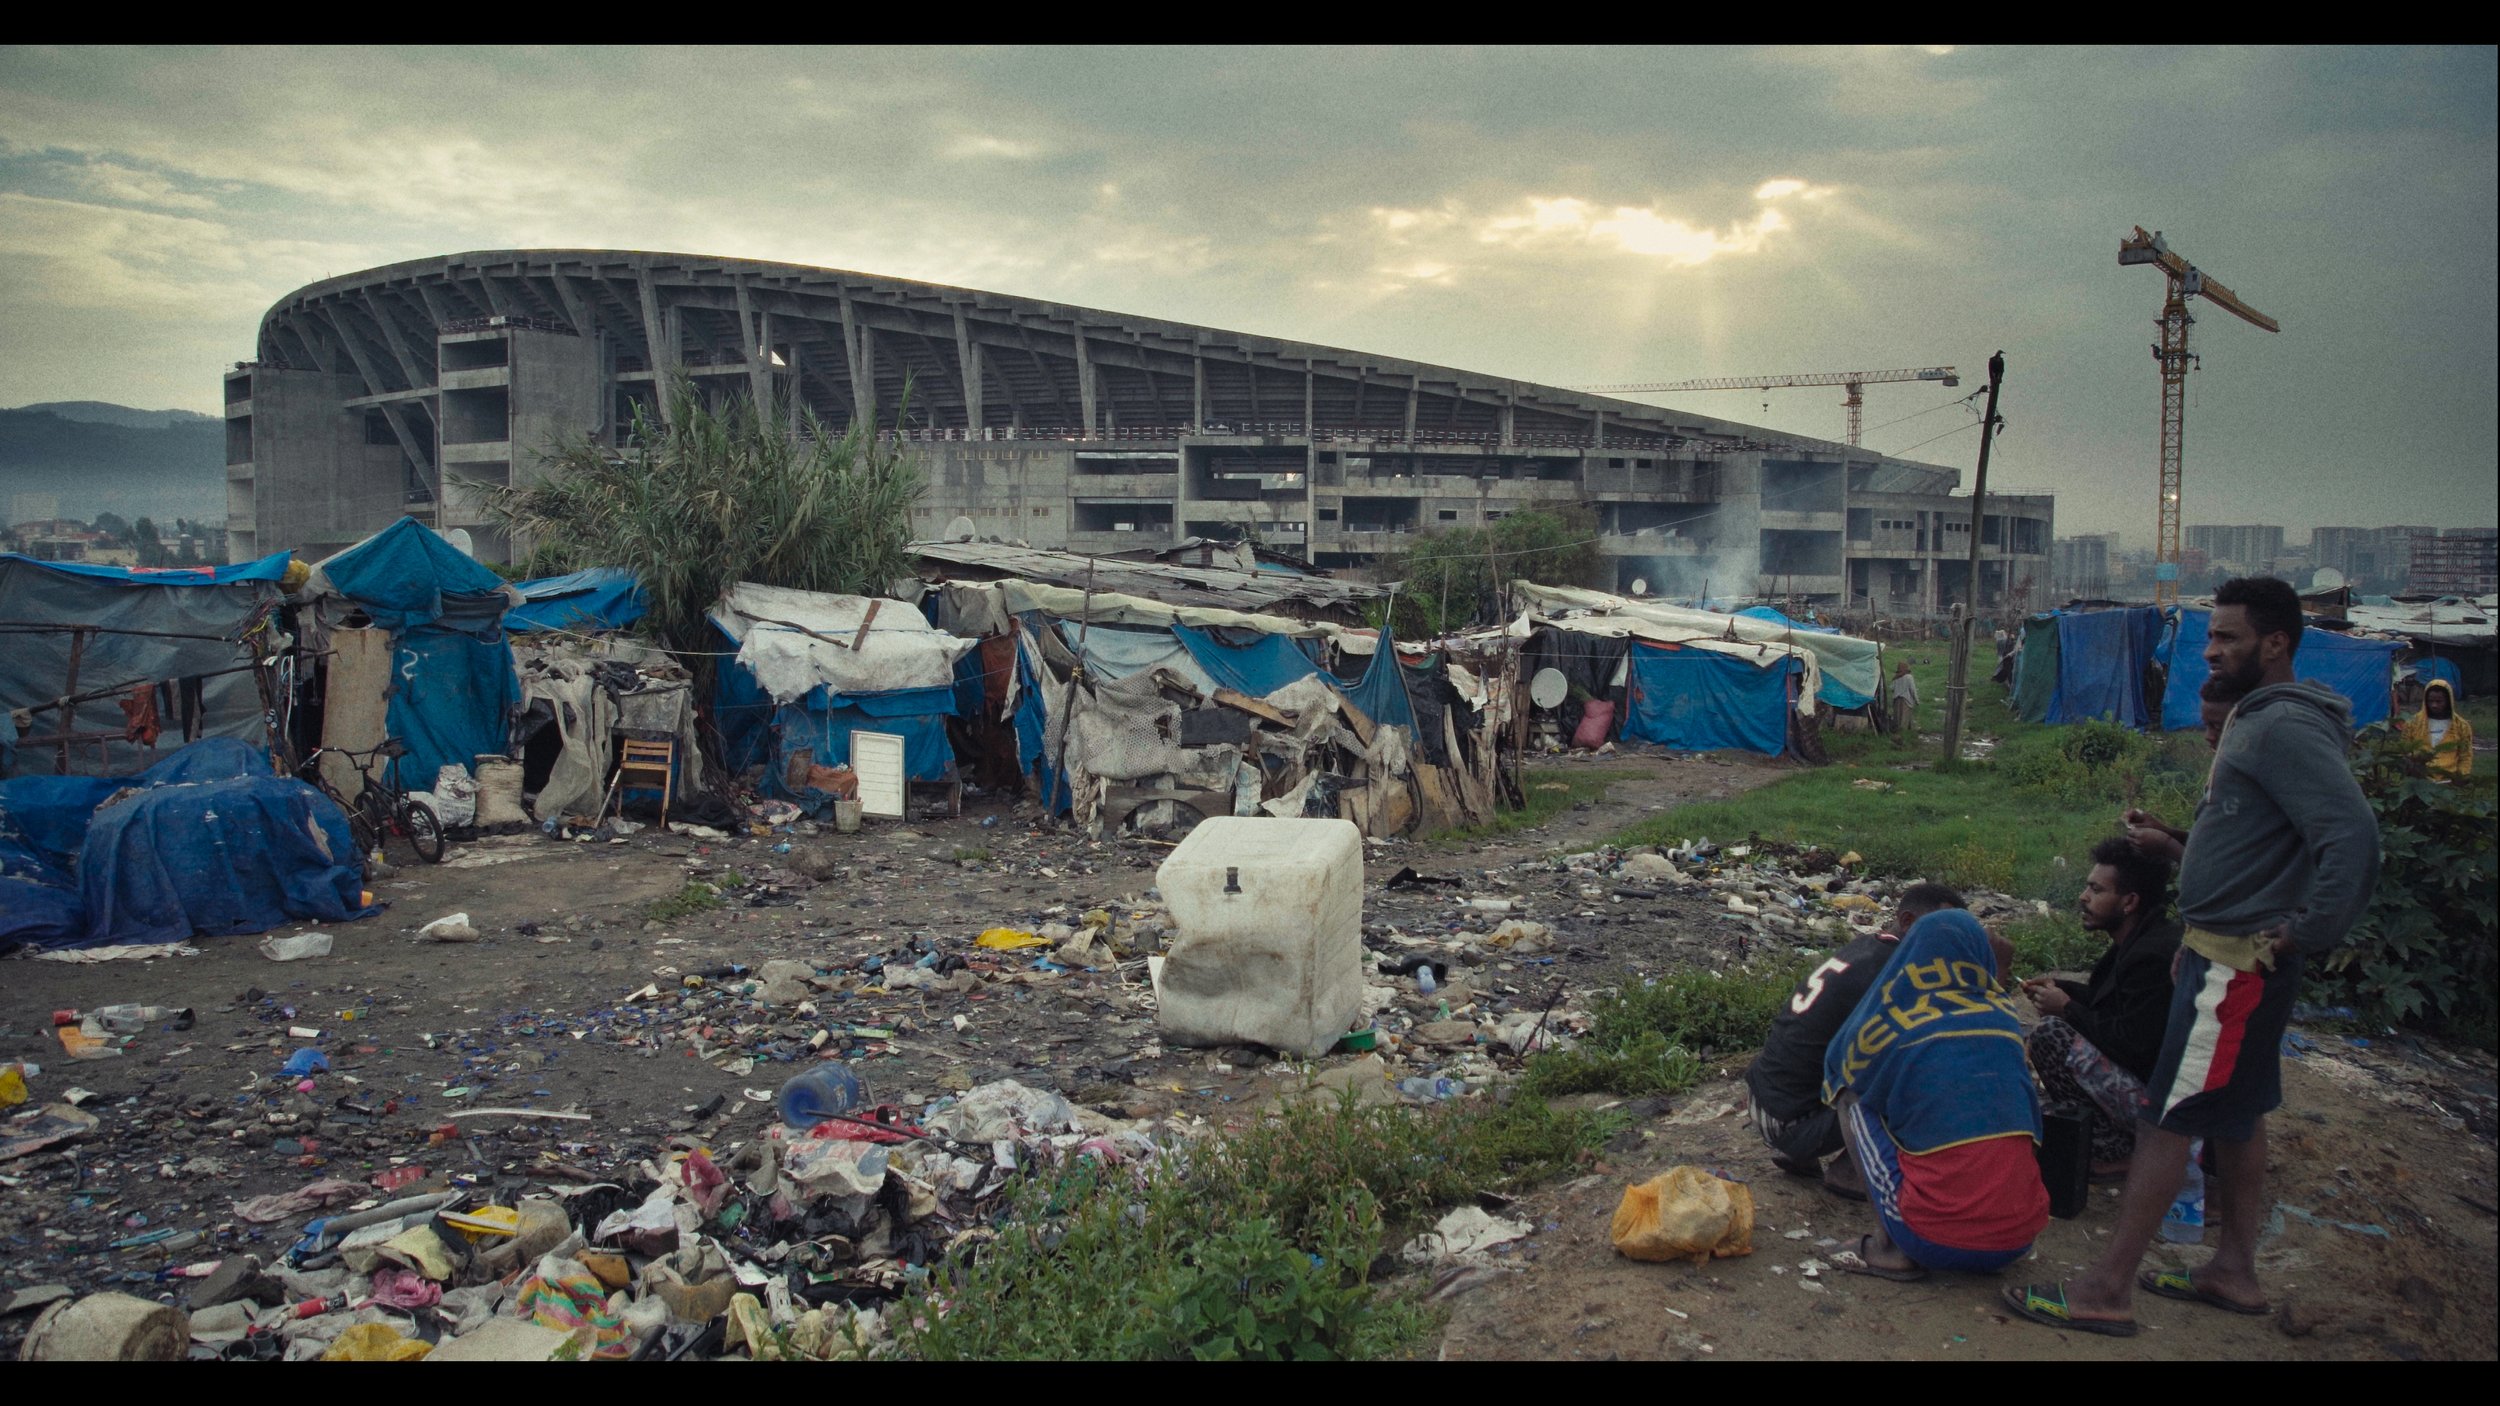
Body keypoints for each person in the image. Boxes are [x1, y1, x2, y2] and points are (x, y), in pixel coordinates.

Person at [2008, 576, 2380, 1336]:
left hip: (2236, 965)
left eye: (2229, 638)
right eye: (2209, 637)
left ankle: (2106, 1288)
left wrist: (2302, 931)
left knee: (2166, 1119)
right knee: (2237, 1116)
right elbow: (2258, 844)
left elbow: (2352, 837)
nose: (2210, 650)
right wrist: (2195, 893)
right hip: (2222, 953)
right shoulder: (2259, 720)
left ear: (2276, 643)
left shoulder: (2279, 728)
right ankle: (2234, 1271)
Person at [1824, 908, 2050, 1281]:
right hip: (2019, 1239)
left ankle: (1889, 1248)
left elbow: (1840, 1062)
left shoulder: (1890, 1023)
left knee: (1850, 1091)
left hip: (1929, 1240)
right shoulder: (2004, 1020)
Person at [1744, 883, 1970, 1200]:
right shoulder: (1894, 970)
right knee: (1920, 1074)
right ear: (1907, 921)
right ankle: (1849, 1171)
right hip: (1791, 1120)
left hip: (1765, 1102)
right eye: (1942, 928)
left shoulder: (1868, 946)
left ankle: (1800, 1150)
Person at [2023, 837, 2182, 1170]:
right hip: (2148, 1087)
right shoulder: (2136, 940)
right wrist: (2060, 990)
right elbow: (2108, 1003)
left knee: (2050, 1034)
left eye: (2096, 890)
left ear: (2129, 902)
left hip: (2162, 1108)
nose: (2084, 898)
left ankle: (2118, 1148)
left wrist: (2066, 1007)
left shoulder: (2153, 956)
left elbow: (2132, 1043)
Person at [2398, 677, 2474, 779]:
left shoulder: (2461, 726)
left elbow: (2465, 755)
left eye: (2439, 701)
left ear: (2449, 701)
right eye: (2430, 701)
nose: (2434, 705)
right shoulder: (2413, 723)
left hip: (2448, 780)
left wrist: (2462, 775)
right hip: (2419, 779)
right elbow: (2404, 749)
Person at [1889, 661, 1919, 743]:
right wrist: (1916, 700)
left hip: (1896, 700)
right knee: (1904, 718)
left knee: (1897, 717)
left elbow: (1891, 688)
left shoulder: (1896, 677)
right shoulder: (1909, 677)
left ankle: (1897, 732)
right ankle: (1902, 734)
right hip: (1906, 700)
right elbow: (1912, 690)